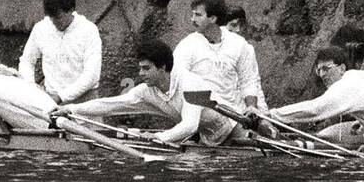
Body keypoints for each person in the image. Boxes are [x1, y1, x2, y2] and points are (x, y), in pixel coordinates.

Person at [53, 39, 242, 146]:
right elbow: (110, 105)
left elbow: (190, 125)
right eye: (140, 68)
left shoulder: (190, 83)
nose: (140, 74)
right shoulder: (146, 91)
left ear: (163, 67)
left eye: (146, 68)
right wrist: (71, 109)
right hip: (207, 139)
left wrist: (159, 137)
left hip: (235, 131)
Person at [173, 0, 263, 115]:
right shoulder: (186, 46)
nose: (192, 19)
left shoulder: (239, 44)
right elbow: (178, 81)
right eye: (193, 14)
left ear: (213, 18)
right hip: (203, 116)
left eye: (198, 15)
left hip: (236, 116)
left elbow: (248, 81)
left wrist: (252, 107)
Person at [18, 0, 103, 105]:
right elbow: (27, 60)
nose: (54, 23)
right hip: (50, 100)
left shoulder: (89, 30)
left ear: (70, 10)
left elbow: (92, 75)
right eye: (50, 18)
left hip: (84, 103)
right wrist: (30, 87)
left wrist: (61, 96)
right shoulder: (41, 28)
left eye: (58, 17)